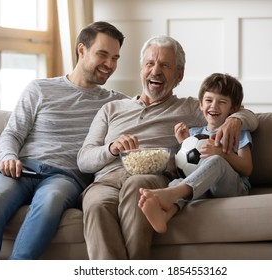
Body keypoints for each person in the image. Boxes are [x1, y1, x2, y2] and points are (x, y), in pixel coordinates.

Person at [77, 35, 258, 259]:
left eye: (165, 65)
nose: (156, 71)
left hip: (151, 176)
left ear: (179, 75)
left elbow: (246, 114)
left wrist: (236, 119)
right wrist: (112, 148)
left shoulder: (190, 108)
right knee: (96, 205)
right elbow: (84, 160)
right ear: (141, 69)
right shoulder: (111, 109)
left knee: (140, 189)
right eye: (150, 64)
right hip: (107, 179)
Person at [0, 21, 127, 260]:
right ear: (81, 50)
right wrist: (9, 157)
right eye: (102, 55)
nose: (110, 65)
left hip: (66, 177)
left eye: (115, 58)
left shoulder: (116, 104)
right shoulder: (39, 89)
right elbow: (12, 134)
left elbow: (151, 110)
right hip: (23, 169)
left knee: (50, 201)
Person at [138, 73, 252, 234]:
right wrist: (184, 143)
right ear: (200, 104)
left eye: (222, 102)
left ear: (233, 108)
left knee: (216, 161)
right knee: (178, 180)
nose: (214, 106)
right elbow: (188, 168)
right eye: (209, 100)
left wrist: (222, 154)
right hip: (203, 188)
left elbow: (247, 168)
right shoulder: (194, 133)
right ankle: (165, 215)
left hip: (234, 188)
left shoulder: (237, 132)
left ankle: (170, 195)